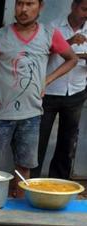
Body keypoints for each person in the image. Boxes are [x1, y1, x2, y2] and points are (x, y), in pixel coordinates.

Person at [0, 0, 78, 197]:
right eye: (19, 4)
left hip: (32, 115)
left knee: (24, 167)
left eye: (29, 4)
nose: (23, 9)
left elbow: (72, 58)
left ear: (40, 7)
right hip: (0, 114)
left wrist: (48, 79)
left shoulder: (49, 35)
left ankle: (19, 208)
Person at [31, 0, 87, 179]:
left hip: (76, 91)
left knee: (67, 140)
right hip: (50, 90)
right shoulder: (52, 27)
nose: (86, 14)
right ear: (73, 6)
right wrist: (68, 42)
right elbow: (41, 53)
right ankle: (32, 180)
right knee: (39, 138)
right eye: (84, 9)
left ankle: (59, 182)